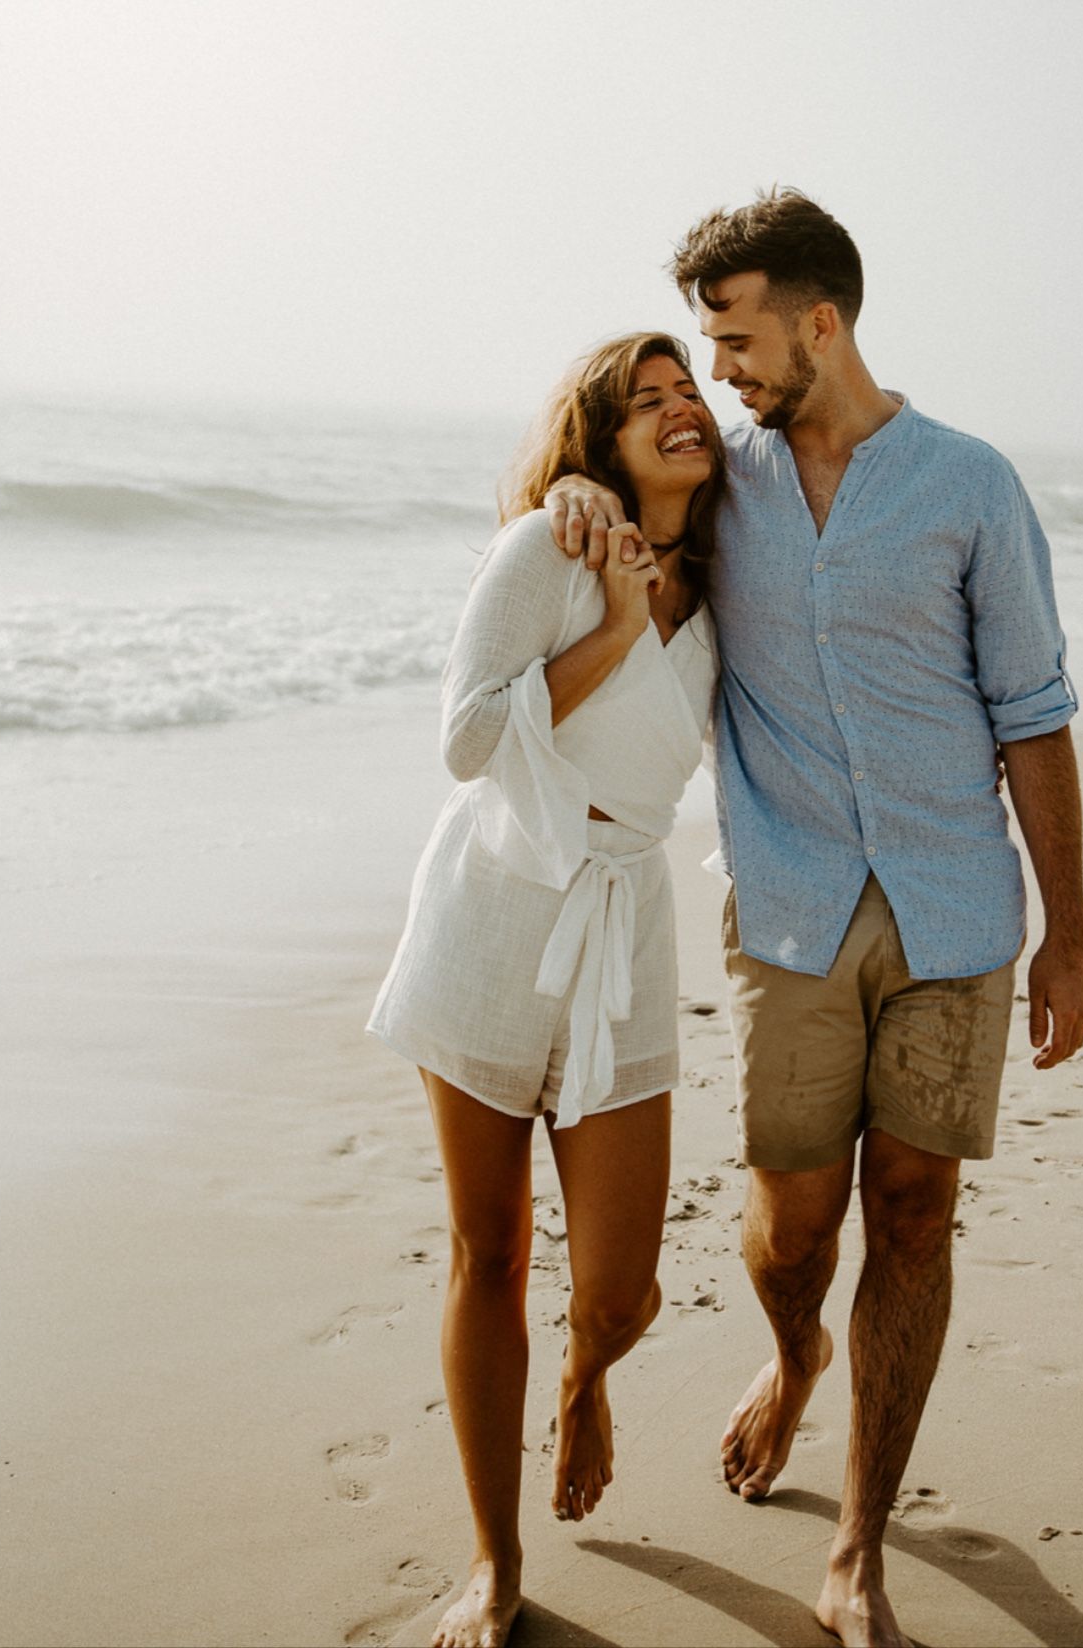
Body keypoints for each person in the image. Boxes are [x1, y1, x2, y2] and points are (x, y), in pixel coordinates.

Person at [547, 190, 1083, 1648]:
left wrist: (1071, 935)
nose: (719, 371)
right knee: (794, 1229)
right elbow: (595, 519)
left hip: (955, 918)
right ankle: (792, 1360)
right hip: (787, 915)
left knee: (913, 1215)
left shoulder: (971, 486)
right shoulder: (718, 487)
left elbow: (1034, 717)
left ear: (821, 322)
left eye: (734, 339)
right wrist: (577, 503)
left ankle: (857, 1549)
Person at [367, 332, 723, 1648]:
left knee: (622, 1290)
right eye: (647, 398)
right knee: (493, 1252)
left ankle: (586, 1379)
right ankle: (495, 1565)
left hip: (625, 938)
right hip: (492, 921)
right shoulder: (550, 553)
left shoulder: (735, 590)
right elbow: (468, 738)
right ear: (600, 442)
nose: (680, 405)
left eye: (689, 388)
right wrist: (617, 622)